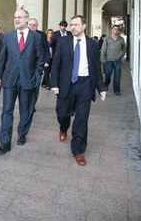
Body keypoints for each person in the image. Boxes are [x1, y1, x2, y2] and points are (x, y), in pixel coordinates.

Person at [51, 15, 107, 166]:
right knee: (62, 113)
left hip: (85, 84)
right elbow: (55, 64)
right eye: (71, 25)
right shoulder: (63, 42)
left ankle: (78, 150)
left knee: (81, 119)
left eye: (76, 24)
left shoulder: (92, 44)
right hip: (66, 84)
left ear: (84, 26)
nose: (73, 27)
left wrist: (101, 88)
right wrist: (54, 84)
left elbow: (96, 68)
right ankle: (63, 127)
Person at [0, 9, 44, 154]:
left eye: (20, 17)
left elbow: (40, 58)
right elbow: (2, 57)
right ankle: (5, 143)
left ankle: (22, 133)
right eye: (15, 17)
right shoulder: (8, 36)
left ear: (27, 20)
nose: (17, 19)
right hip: (10, 79)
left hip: (28, 79)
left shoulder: (36, 37)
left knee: (26, 110)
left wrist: (37, 76)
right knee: (6, 111)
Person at [27, 18, 49, 106]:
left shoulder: (42, 35)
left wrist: (46, 61)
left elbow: (46, 49)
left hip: (38, 65)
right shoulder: (23, 34)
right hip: (26, 65)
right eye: (30, 25)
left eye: (34, 25)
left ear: (37, 26)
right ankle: (26, 103)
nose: (32, 26)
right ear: (28, 25)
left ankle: (32, 104)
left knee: (36, 86)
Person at [100, 25, 126, 96]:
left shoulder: (121, 39)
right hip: (109, 60)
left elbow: (124, 47)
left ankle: (117, 90)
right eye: (115, 29)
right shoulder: (107, 39)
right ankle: (106, 84)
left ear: (119, 30)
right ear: (112, 30)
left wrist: (122, 54)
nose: (116, 30)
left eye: (117, 29)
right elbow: (103, 49)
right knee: (108, 74)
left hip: (118, 60)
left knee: (117, 75)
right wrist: (103, 59)